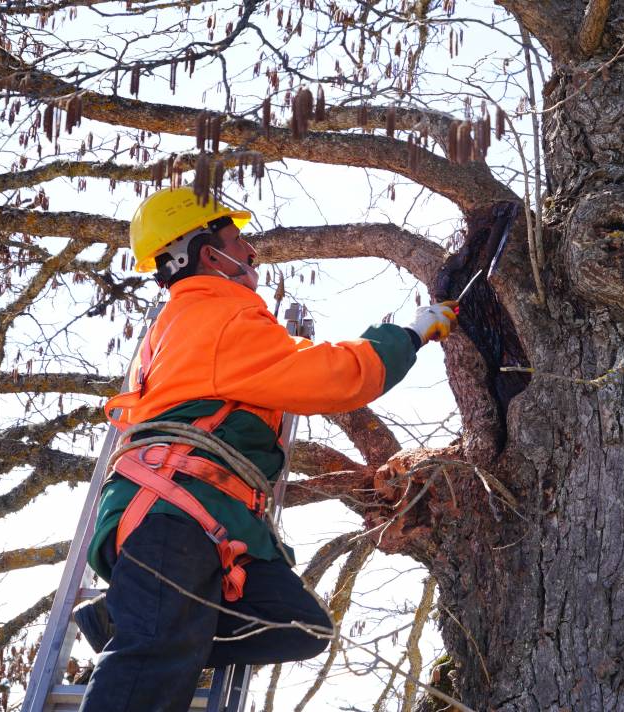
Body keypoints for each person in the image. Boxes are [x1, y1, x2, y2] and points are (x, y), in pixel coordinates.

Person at [75, 186, 457, 712]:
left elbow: (285, 364)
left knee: (298, 625)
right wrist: (408, 334)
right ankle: (140, 624)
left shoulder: (197, 322)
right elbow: (329, 375)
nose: (251, 251)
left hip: (200, 516)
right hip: (174, 513)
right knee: (149, 664)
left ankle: (129, 618)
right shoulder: (218, 316)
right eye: (238, 240)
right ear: (211, 255)